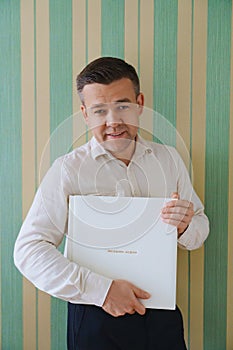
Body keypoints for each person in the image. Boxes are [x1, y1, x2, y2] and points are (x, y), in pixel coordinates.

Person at [14, 57, 209, 350]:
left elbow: (200, 227)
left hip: (162, 313)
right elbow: (28, 251)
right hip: (95, 315)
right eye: (99, 110)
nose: (113, 121)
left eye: (123, 106)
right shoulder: (66, 170)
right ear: (85, 114)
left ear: (140, 103)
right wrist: (102, 291)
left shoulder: (169, 159)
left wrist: (185, 227)